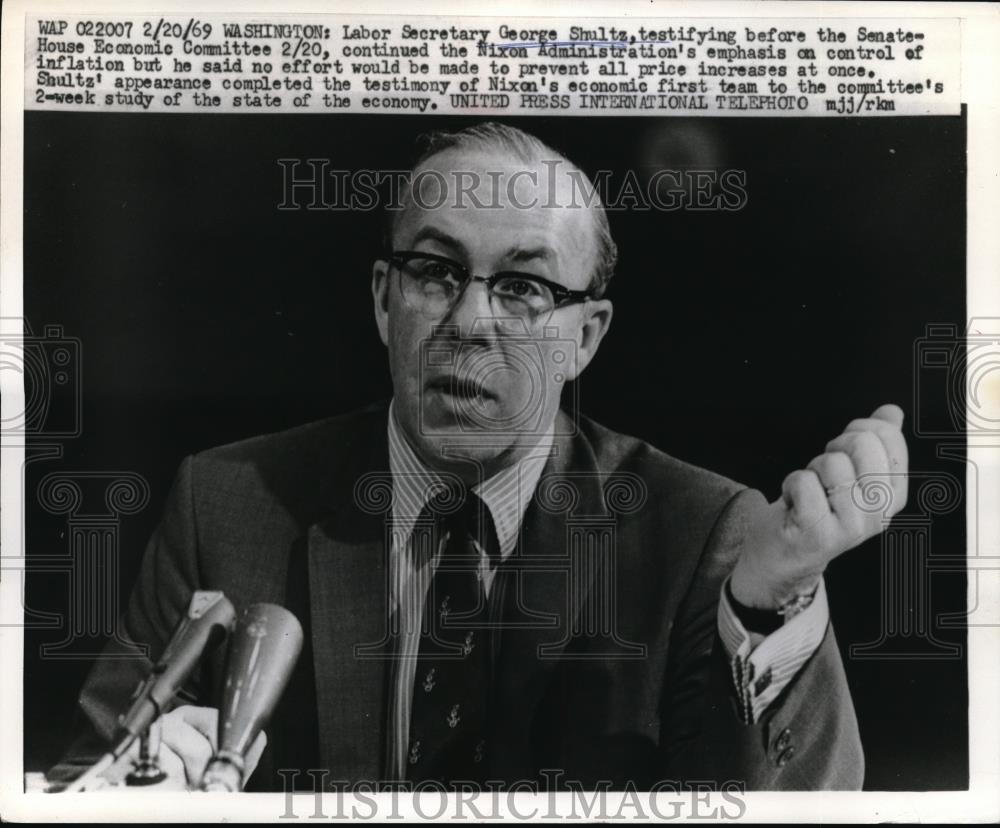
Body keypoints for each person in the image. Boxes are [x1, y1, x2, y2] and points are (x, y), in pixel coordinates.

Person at [51, 122, 908, 792]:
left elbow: (801, 806)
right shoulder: (225, 504)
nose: (469, 322)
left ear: (585, 337)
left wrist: (768, 602)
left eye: (524, 288)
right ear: (386, 301)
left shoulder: (702, 533)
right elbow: (77, 785)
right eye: (434, 271)